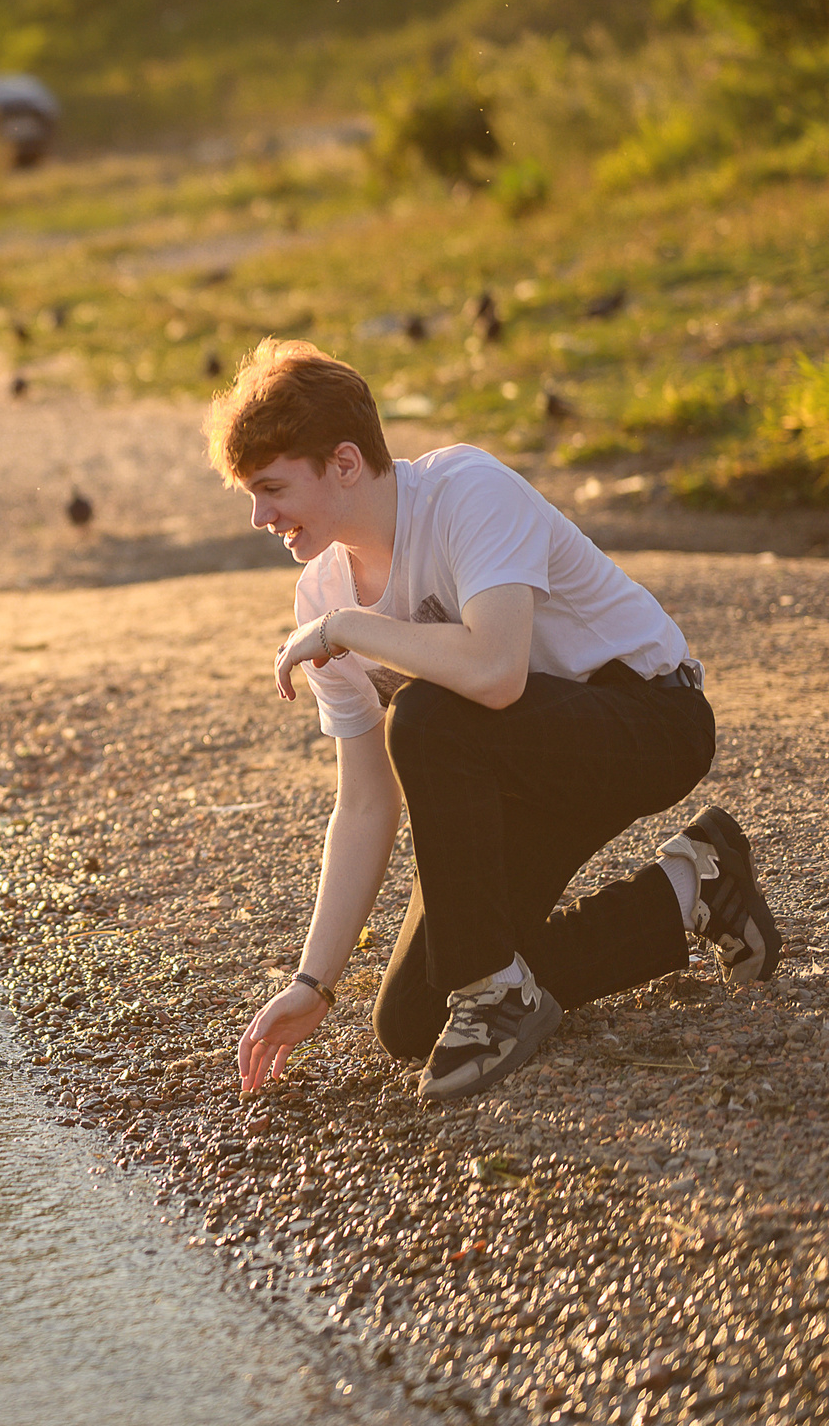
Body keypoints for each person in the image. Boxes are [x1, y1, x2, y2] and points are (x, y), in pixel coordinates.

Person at [211, 340, 781, 1102]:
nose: (259, 515)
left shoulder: (465, 492)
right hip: (514, 775)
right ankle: (694, 886)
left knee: (423, 716)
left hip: (649, 719)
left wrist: (349, 628)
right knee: (411, 1022)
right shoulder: (322, 599)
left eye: (273, 488)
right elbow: (366, 802)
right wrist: (314, 980)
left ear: (344, 464)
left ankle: (496, 991)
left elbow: (496, 671)